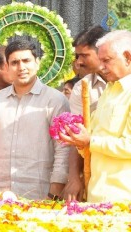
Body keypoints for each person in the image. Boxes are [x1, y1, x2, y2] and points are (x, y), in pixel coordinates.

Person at [0, 40, 70, 200]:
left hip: (40, 196)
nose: (21, 67)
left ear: (37, 63)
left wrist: (54, 194)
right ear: (8, 68)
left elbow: (63, 151)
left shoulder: (55, 100)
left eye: (26, 61)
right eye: (15, 62)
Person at [59, 30, 131, 202]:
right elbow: (92, 145)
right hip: (97, 194)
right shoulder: (110, 90)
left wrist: (90, 141)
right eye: (101, 61)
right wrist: (79, 142)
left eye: (107, 61)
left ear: (128, 58)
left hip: (123, 198)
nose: (101, 67)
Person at [63, 25, 108, 201]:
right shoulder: (82, 87)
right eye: (77, 56)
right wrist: (74, 178)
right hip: (95, 172)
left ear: (102, 53)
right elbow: (76, 135)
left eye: (85, 56)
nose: (78, 62)